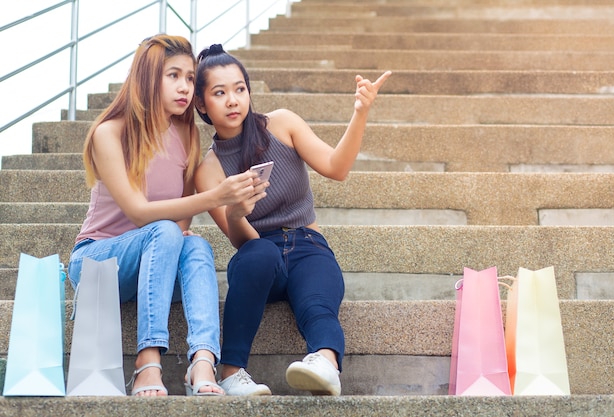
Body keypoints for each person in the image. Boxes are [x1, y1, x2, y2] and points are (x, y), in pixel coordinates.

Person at [67, 35, 265, 397]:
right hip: (99, 263)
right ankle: (147, 361)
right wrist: (215, 196)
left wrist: (185, 228)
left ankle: (203, 362)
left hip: (154, 264)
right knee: (163, 230)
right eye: (173, 76)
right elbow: (138, 212)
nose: (185, 87)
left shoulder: (185, 132)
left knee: (197, 246)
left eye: (190, 78)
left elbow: (181, 215)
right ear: (147, 77)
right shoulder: (109, 133)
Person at [193, 43, 391, 396]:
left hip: (307, 245)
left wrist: (360, 113)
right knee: (259, 255)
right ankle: (232, 371)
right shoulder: (208, 169)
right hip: (259, 253)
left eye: (240, 89)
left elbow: (337, 167)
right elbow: (241, 241)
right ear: (201, 104)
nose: (233, 100)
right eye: (219, 93)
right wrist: (238, 211)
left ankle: (325, 363)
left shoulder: (281, 124)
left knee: (317, 300)